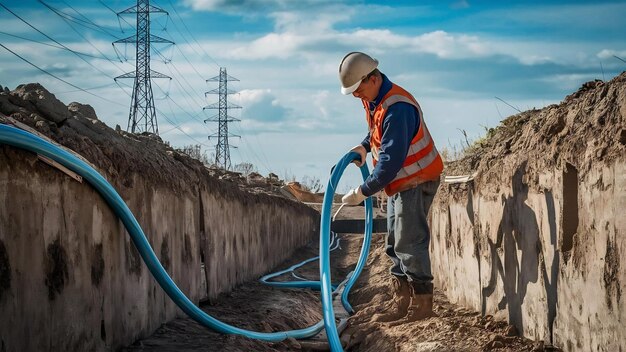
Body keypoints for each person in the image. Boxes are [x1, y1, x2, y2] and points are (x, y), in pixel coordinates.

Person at [339, 52, 444, 321]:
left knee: (410, 241)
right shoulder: (376, 100)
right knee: (394, 242)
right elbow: (377, 132)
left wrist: (364, 191)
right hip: (401, 183)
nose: (355, 95)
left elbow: (391, 160)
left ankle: (422, 306)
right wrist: (364, 146)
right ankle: (400, 300)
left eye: (358, 89)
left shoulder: (397, 107)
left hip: (417, 179)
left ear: (373, 78)